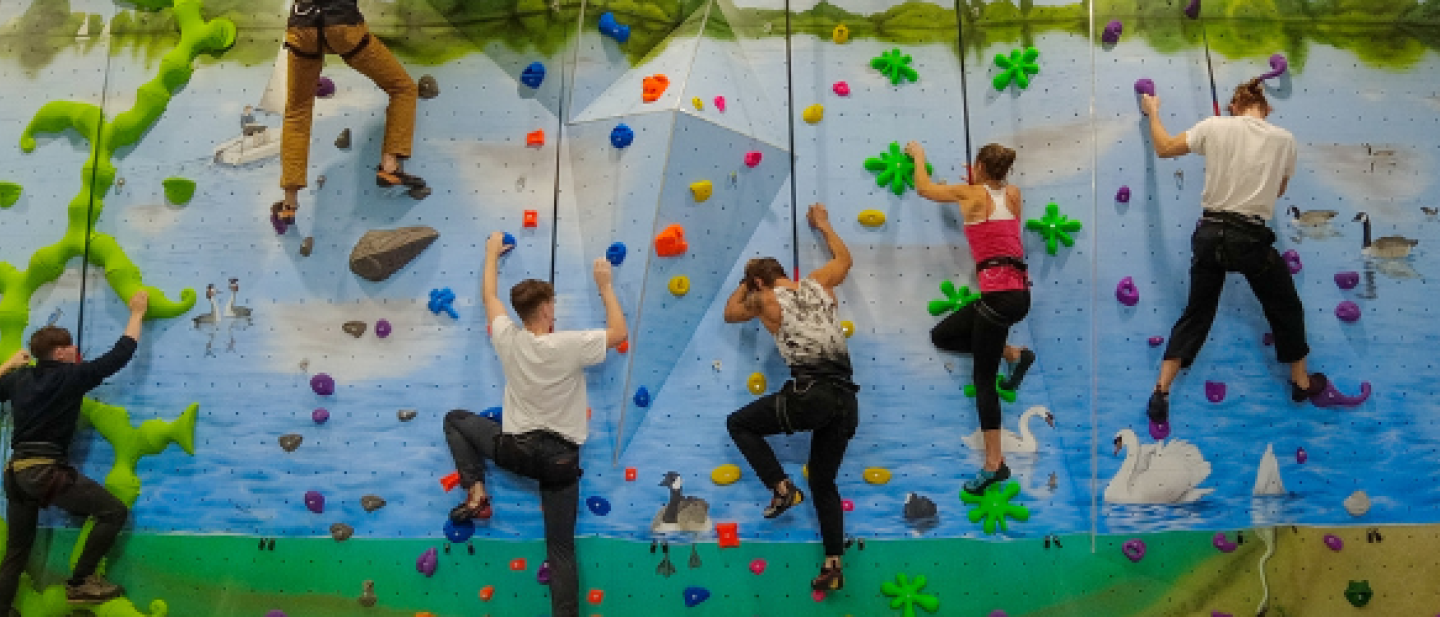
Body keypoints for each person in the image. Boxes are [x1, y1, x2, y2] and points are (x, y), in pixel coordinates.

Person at [442, 232, 625, 617]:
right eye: (553, 304)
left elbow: (491, 298)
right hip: (559, 461)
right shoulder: (569, 344)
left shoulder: (507, 339)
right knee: (560, 549)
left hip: (516, 452)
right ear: (545, 310)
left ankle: (475, 490)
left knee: (456, 420)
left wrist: (491, 252)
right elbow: (619, 333)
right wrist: (606, 287)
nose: (555, 309)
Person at [1140, 78, 1328, 427]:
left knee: (1196, 313)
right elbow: (1279, 189)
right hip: (1250, 239)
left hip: (1210, 233)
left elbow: (1164, 148)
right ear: (1265, 109)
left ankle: (1161, 390)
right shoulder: (1284, 140)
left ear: (1234, 106)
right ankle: (1300, 381)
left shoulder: (1214, 127)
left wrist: (1153, 112)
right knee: (1285, 305)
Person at [723, 204, 859, 592]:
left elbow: (730, 313)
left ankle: (782, 489)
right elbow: (844, 259)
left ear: (759, 284)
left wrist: (745, 279)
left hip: (812, 393)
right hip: (847, 400)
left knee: (739, 423)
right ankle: (834, 564)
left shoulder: (763, 300)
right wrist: (824, 225)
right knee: (824, 481)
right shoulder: (819, 284)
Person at [0, 291, 150, 609]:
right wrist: (136, 313)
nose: (75, 350)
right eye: (69, 346)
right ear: (60, 353)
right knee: (113, 512)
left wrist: (9, 365)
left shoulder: (19, 379)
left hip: (15, 474)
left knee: (16, 553)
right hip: (44, 472)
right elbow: (120, 354)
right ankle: (81, 582)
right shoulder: (72, 377)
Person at [907, 141, 1037, 495]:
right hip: (1018, 295)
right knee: (943, 335)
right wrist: (980, 178)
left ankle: (994, 464)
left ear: (978, 166)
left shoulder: (969, 195)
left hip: (996, 300)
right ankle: (1014, 355)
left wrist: (920, 156)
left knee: (984, 381)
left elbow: (924, 188)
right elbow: (995, 220)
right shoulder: (1013, 195)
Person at [272, 0, 424, 231]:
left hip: (302, 28)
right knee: (403, 88)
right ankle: (390, 165)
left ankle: (289, 203)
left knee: (297, 112)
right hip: (342, 24)